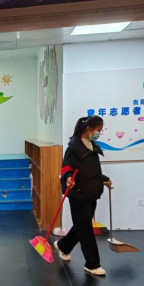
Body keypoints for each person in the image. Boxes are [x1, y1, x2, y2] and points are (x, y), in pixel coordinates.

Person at [54, 115, 112, 276]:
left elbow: (91, 171)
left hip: (92, 192)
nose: (99, 133)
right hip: (78, 193)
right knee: (85, 229)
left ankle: (63, 246)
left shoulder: (92, 146)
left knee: (82, 225)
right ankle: (92, 264)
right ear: (88, 128)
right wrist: (68, 178)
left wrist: (104, 179)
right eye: (98, 130)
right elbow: (66, 168)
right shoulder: (74, 147)